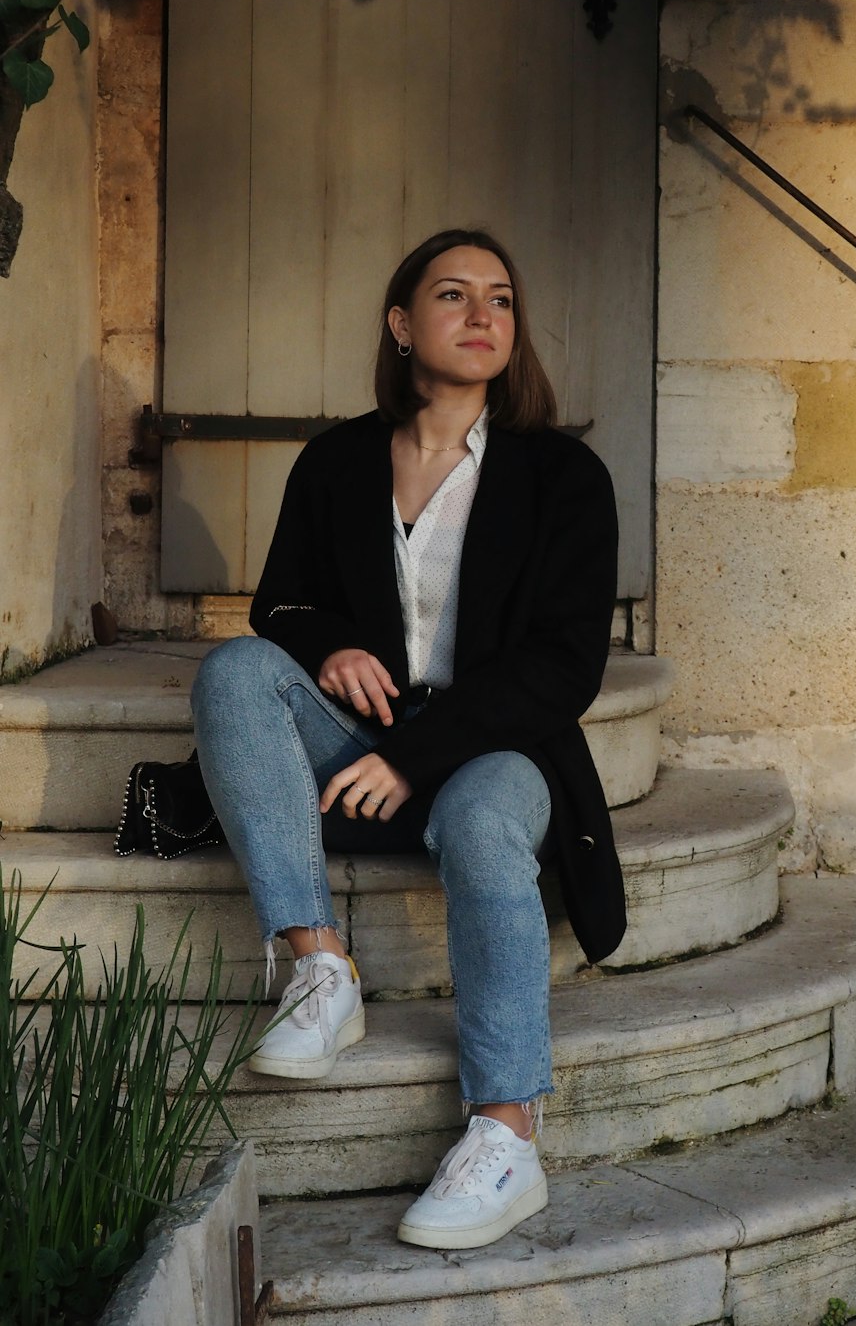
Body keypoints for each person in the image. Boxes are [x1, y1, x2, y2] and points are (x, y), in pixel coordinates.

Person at [191, 227, 625, 1250]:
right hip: (369, 733)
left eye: (502, 300)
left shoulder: (563, 476)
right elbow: (278, 607)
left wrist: (417, 758)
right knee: (236, 673)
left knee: (481, 828)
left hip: (500, 748)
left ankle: (507, 1132)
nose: (483, 318)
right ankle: (321, 967)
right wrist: (333, 644)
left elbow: (565, 669)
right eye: (454, 295)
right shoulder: (339, 460)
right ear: (400, 324)